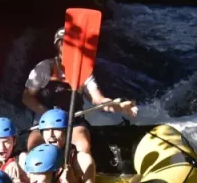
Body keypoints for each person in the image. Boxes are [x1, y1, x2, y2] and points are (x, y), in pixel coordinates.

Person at [23, 27, 137, 156]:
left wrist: (120, 107)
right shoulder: (44, 68)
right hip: (45, 123)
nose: (68, 47)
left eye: (72, 43)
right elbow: (27, 97)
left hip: (73, 122)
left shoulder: (84, 72)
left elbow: (98, 100)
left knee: (83, 145)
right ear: (57, 46)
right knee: (33, 147)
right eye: (64, 43)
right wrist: (49, 114)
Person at [25, 108, 95, 183]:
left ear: (67, 132)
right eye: (47, 130)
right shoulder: (39, 158)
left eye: (57, 129)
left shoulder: (82, 159)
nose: (51, 134)